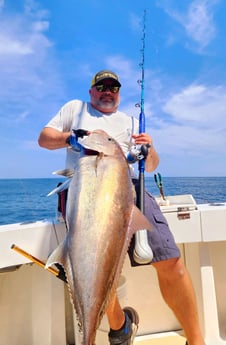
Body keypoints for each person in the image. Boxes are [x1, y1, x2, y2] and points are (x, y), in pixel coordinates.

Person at [38, 70, 205, 345]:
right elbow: (44, 139)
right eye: (101, 86)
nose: (107, 91)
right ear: (91, 91)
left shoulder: (129, 121)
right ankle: (119, 328)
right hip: (85, 192)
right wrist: (70, 138)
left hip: (128, 191)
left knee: (171, 261)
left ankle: (197, 340)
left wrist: (149, 150)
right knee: (95, 266)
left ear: (118, 93)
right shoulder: (75, 108)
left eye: (113, 88)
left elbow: (151, 166)